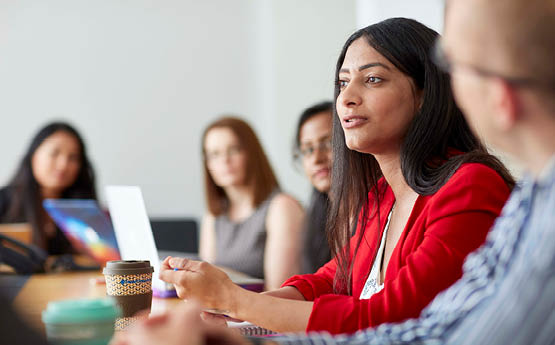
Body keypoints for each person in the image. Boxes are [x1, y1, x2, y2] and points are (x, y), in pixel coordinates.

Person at [111, 0, 555, 342]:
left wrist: (235, 301)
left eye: (373, 79)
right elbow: (333, 280)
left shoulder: (471, 185)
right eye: (343, 82)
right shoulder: (383, 192)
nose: (346, 98)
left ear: (427, 94)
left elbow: (391, 319)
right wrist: (239, 307)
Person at [198, 116, 304, 290]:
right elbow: (206, 286)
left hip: (262, 314)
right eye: (214, 154)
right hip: (222, 313)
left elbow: (277, 293)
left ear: (251, 154)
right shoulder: (213, 215)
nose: (224, 160)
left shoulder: (282, 207)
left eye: (234, 150)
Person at [0, 122, 97, 255]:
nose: (63, 165)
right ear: (34, 157)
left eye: (73, 157)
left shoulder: (84, 208)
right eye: (54, 153)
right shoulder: (4, 201)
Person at [293, 101, 333, 274]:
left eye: (328, 143)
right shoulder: (315, 219)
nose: (317, 158)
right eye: (308, 150)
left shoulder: (377, 213)